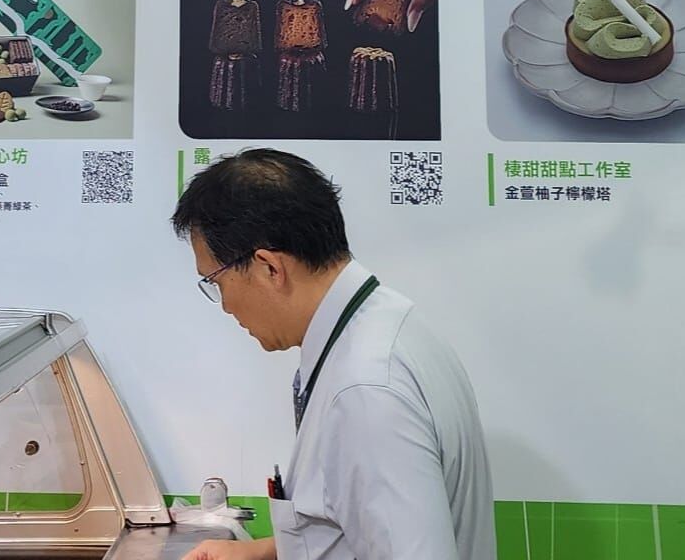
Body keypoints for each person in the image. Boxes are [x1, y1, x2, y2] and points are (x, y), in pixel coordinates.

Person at [173, 148, 495, 560]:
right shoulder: (386, 323)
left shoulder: (366, 387)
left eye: (216, 282)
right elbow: (356, 524)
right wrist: (260, 552)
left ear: (269, 268)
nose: (226, 307)